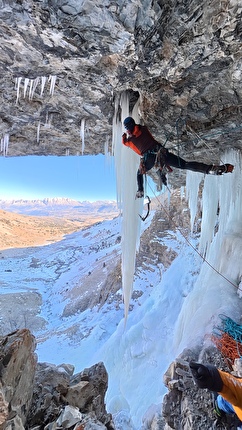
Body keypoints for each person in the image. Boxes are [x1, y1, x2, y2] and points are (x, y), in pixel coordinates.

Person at [122, 117, 234, 198]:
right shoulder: (144, 129)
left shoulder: (130, 141)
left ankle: (140, 190)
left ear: (128, 129)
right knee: (184, 165)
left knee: (139, 173)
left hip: (150, 157)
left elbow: (128, 144)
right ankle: (210, 169)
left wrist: (124, 137)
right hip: (162, 153)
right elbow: (141, 130)